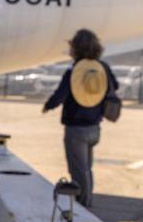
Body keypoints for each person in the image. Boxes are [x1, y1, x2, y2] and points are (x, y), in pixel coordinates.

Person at [42, 29, 118, 209]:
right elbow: (115, 85)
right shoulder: (102, 67)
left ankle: (83, 206)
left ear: (77, 48)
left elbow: (60, 95)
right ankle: (88, 200)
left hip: (76, 129)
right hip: (95, 128)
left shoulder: (75, 71)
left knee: (78, 170)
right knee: (87, 169)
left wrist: (48, 105)